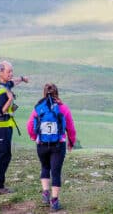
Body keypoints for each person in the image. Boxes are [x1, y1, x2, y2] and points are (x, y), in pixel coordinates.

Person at [27, 83, 76, 212]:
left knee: (45, 167)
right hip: (58, 146)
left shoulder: (38, 108)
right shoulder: (63, 108)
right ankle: (54, 201)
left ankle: (45, 193)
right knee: (56, 172)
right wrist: (71, 142)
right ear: (57, 93)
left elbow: (30, 124)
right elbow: (70, 127)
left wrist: (34, 137)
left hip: (42, 145)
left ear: (44, 93)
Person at [0, 60, 29, 195]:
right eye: (9, 71)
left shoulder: (2, 84)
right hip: (1, 127)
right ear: (0, 72)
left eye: (12, 71)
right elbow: (1, 111)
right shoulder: (1, 90)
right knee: (3, 156)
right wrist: (10, 100)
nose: (11, 74)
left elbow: (12, 83)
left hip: (3, 127)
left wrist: (22, 79)